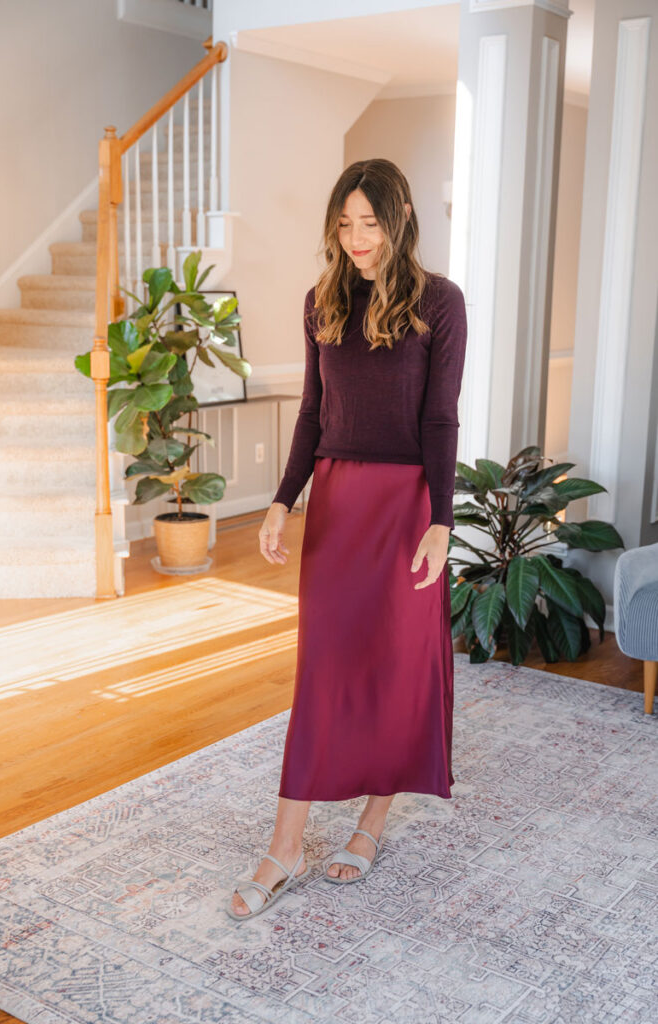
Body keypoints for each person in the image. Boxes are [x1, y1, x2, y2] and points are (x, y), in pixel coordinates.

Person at [226, 158, 468, 921]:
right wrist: (279, 500)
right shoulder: (320, 300)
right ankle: (286, 845)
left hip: (404, 506)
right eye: (344, 224)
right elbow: (310, 411)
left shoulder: (440, 303)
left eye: (369, 222)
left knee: (394, 664)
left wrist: (440, 519)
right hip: (335, 501)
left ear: (398, 220)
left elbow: (440, 418)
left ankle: (370, 822)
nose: (356, 239)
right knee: (325, 671)